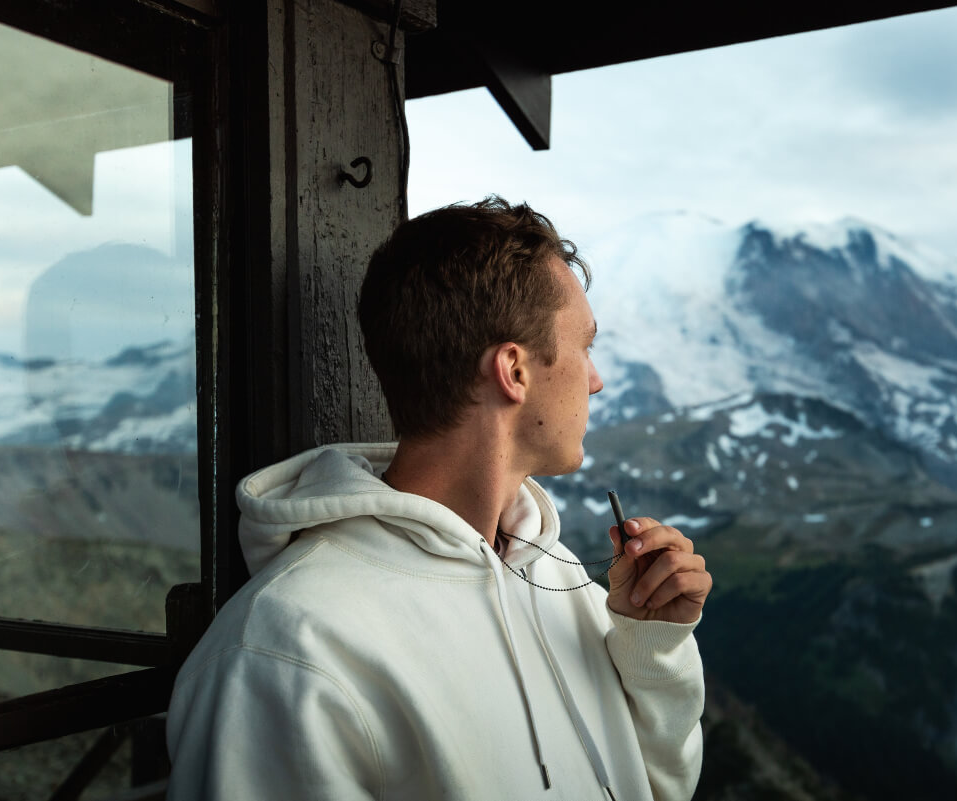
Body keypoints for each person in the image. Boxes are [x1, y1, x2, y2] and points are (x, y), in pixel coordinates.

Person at [166, 196, 713, 800]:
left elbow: (662, 786)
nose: (596, 379)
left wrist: (649, 645)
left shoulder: (560, 582)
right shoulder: (285, 649)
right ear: (514, 369)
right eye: (584, 346)